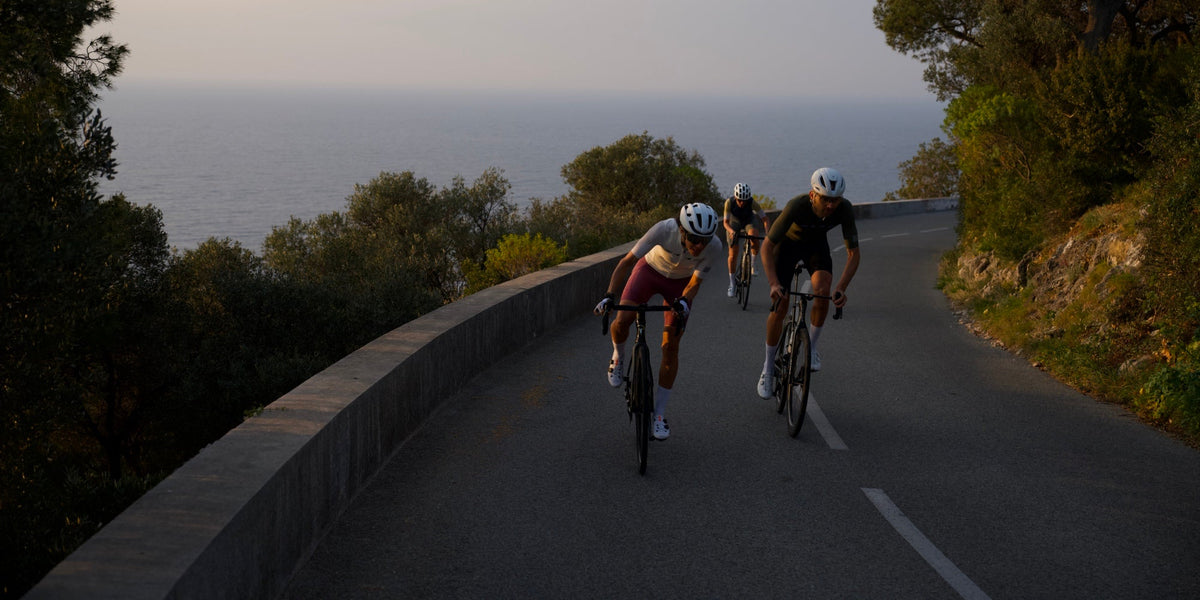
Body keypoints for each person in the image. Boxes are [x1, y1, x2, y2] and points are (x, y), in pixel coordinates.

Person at [593, 203, 724, 440]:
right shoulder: (664, 229)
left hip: (680, 284)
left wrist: (684, 300)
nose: (699, 245)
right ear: (682, 232)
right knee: (622, 321)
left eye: (704, 240)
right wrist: (609, 295)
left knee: (670, 346)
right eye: (694, 238)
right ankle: (618, 356)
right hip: (650, 271)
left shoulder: (714, 247)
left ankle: (659, 415)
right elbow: (626, 263)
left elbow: (695, 283)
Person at [756, 167, 860, 398]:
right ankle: (768, 368)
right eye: (825, 199)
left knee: (823, 292)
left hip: (816, 247)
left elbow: (854, 254)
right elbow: (767, 246)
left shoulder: (844, 209)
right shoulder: (797, 206)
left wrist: (841, 288)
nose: (831, 205)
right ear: (813, 195)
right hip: (787, 247)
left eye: (835, 200)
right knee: (780, 306)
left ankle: (812, 347)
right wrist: (774, 283)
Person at [723, 182, 771, 297]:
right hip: (734, 223)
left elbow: (765, 219)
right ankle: (732, 283)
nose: (742, 203)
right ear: (735, 197)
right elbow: (725, 223)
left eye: (744, 200)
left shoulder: (752, 202)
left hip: (749, 220)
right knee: (733, 255)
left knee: (754, 235)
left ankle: (753, 264)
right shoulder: (729, 203)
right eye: (739, 200)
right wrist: (731, 231)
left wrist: (768, 235)